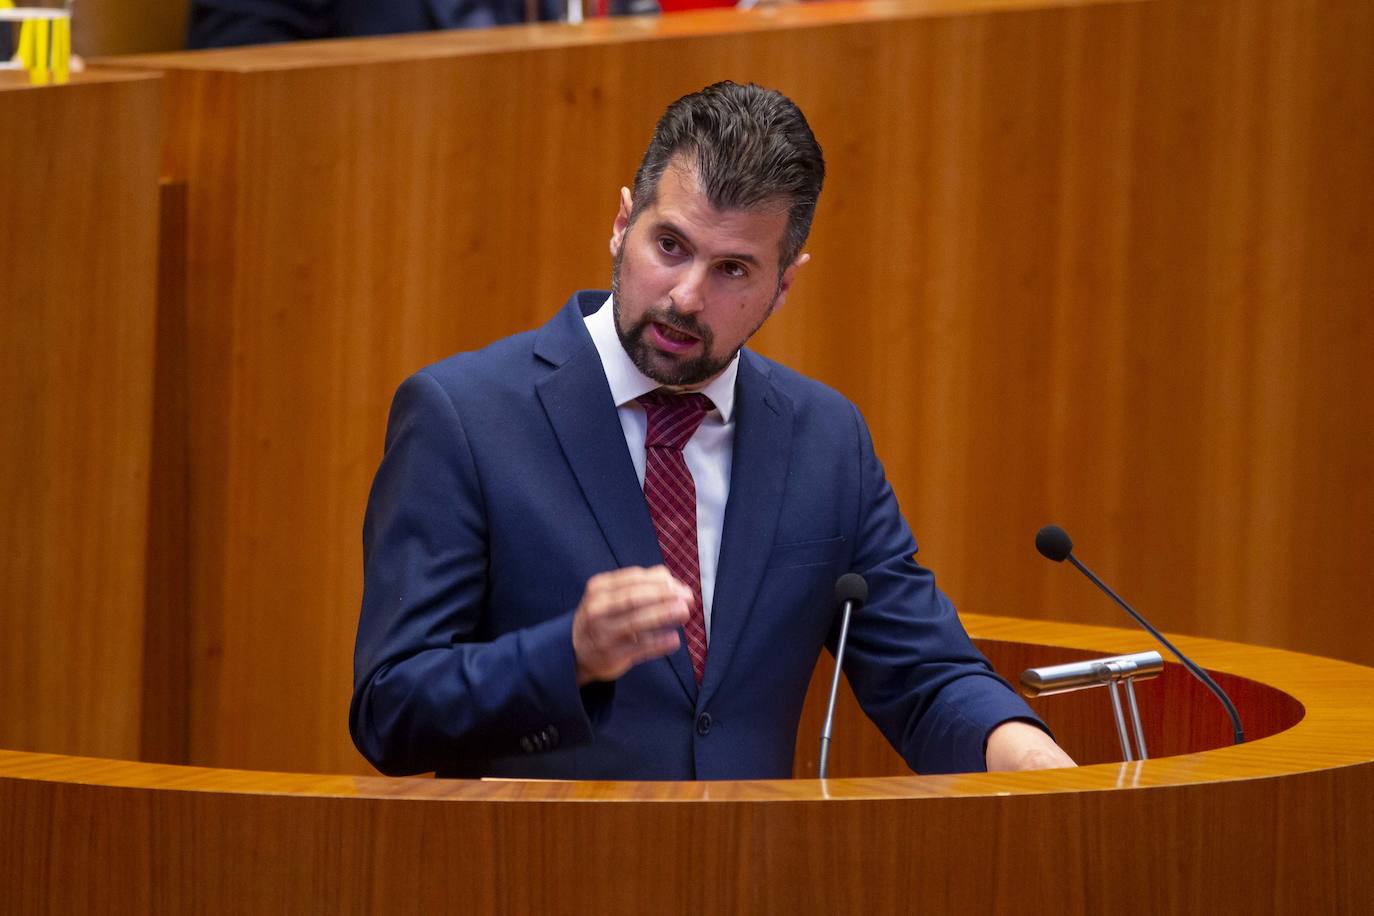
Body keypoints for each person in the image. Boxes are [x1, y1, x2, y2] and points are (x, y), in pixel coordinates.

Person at [350, 81, 1073, 780]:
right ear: (622, 221)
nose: (687, 297)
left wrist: (1039, 764)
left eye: (732, 269)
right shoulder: (466, 416)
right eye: (669, 245)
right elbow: (391, 709)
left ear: (784, 284)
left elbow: (925, 675)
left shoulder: (824, 441)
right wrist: (564, 656)